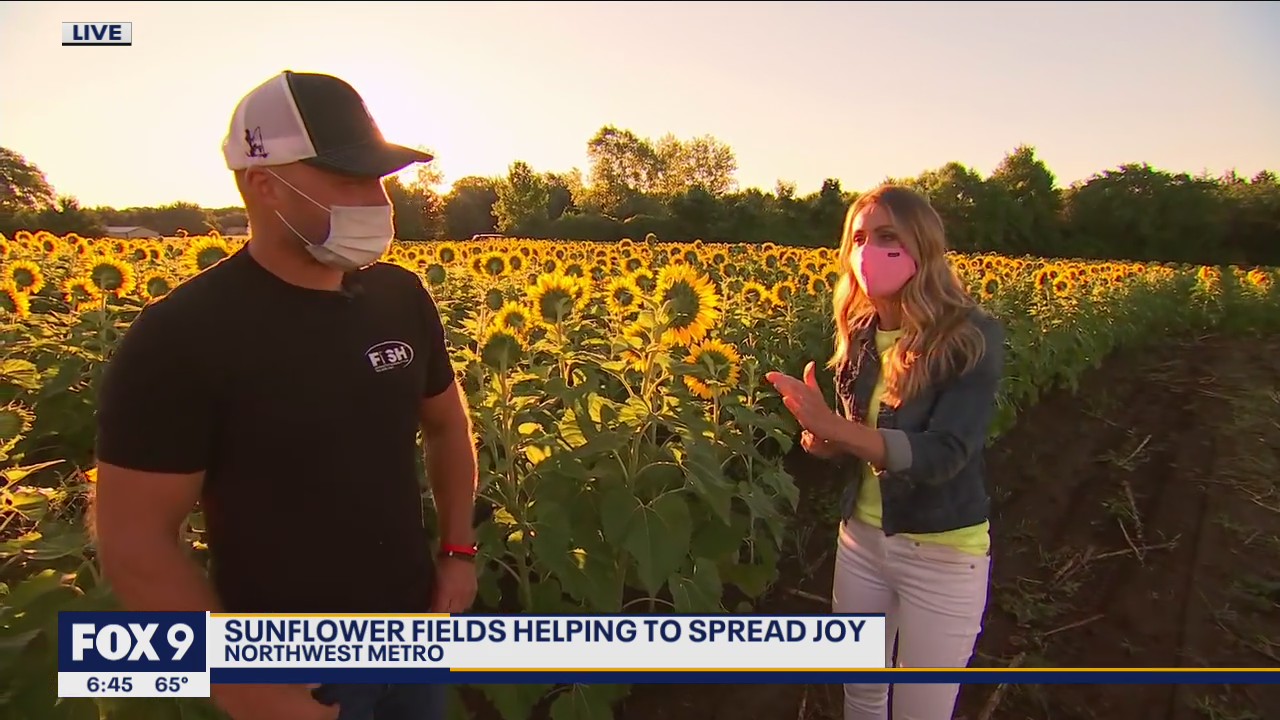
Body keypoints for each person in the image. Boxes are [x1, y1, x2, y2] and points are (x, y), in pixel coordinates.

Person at [91, 70, 480, 720]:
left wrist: (459, 552)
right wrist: (243, 684)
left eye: (378, 179)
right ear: (265, 183)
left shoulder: (398, 296)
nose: (376, 199)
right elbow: (136, 539)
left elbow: (447, 427)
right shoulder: (184, 335)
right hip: (291, 663)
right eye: (348, 178)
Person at [766, 185, 1005, 720]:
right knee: (863, 692)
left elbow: (944, 453)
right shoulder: (860, 332)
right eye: (859, 237)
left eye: (888, 237)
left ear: (922, 247)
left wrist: (835, 427)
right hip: (862, 541)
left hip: (942, 553)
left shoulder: (970, 337)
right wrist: (824, 440)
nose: (869, 250)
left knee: (922, 709)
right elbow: (860, 437)